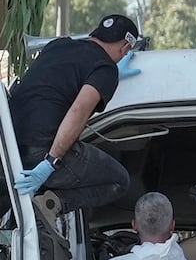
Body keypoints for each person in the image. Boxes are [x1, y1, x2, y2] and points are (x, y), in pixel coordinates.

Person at [9, 13, 141, 221]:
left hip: (9, 148)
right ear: (125, 48)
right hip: (40, 153)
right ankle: (50, 204)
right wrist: (51, 161)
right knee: (119, 181)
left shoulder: (57, 46)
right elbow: (78, 111)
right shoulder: (105, 68)